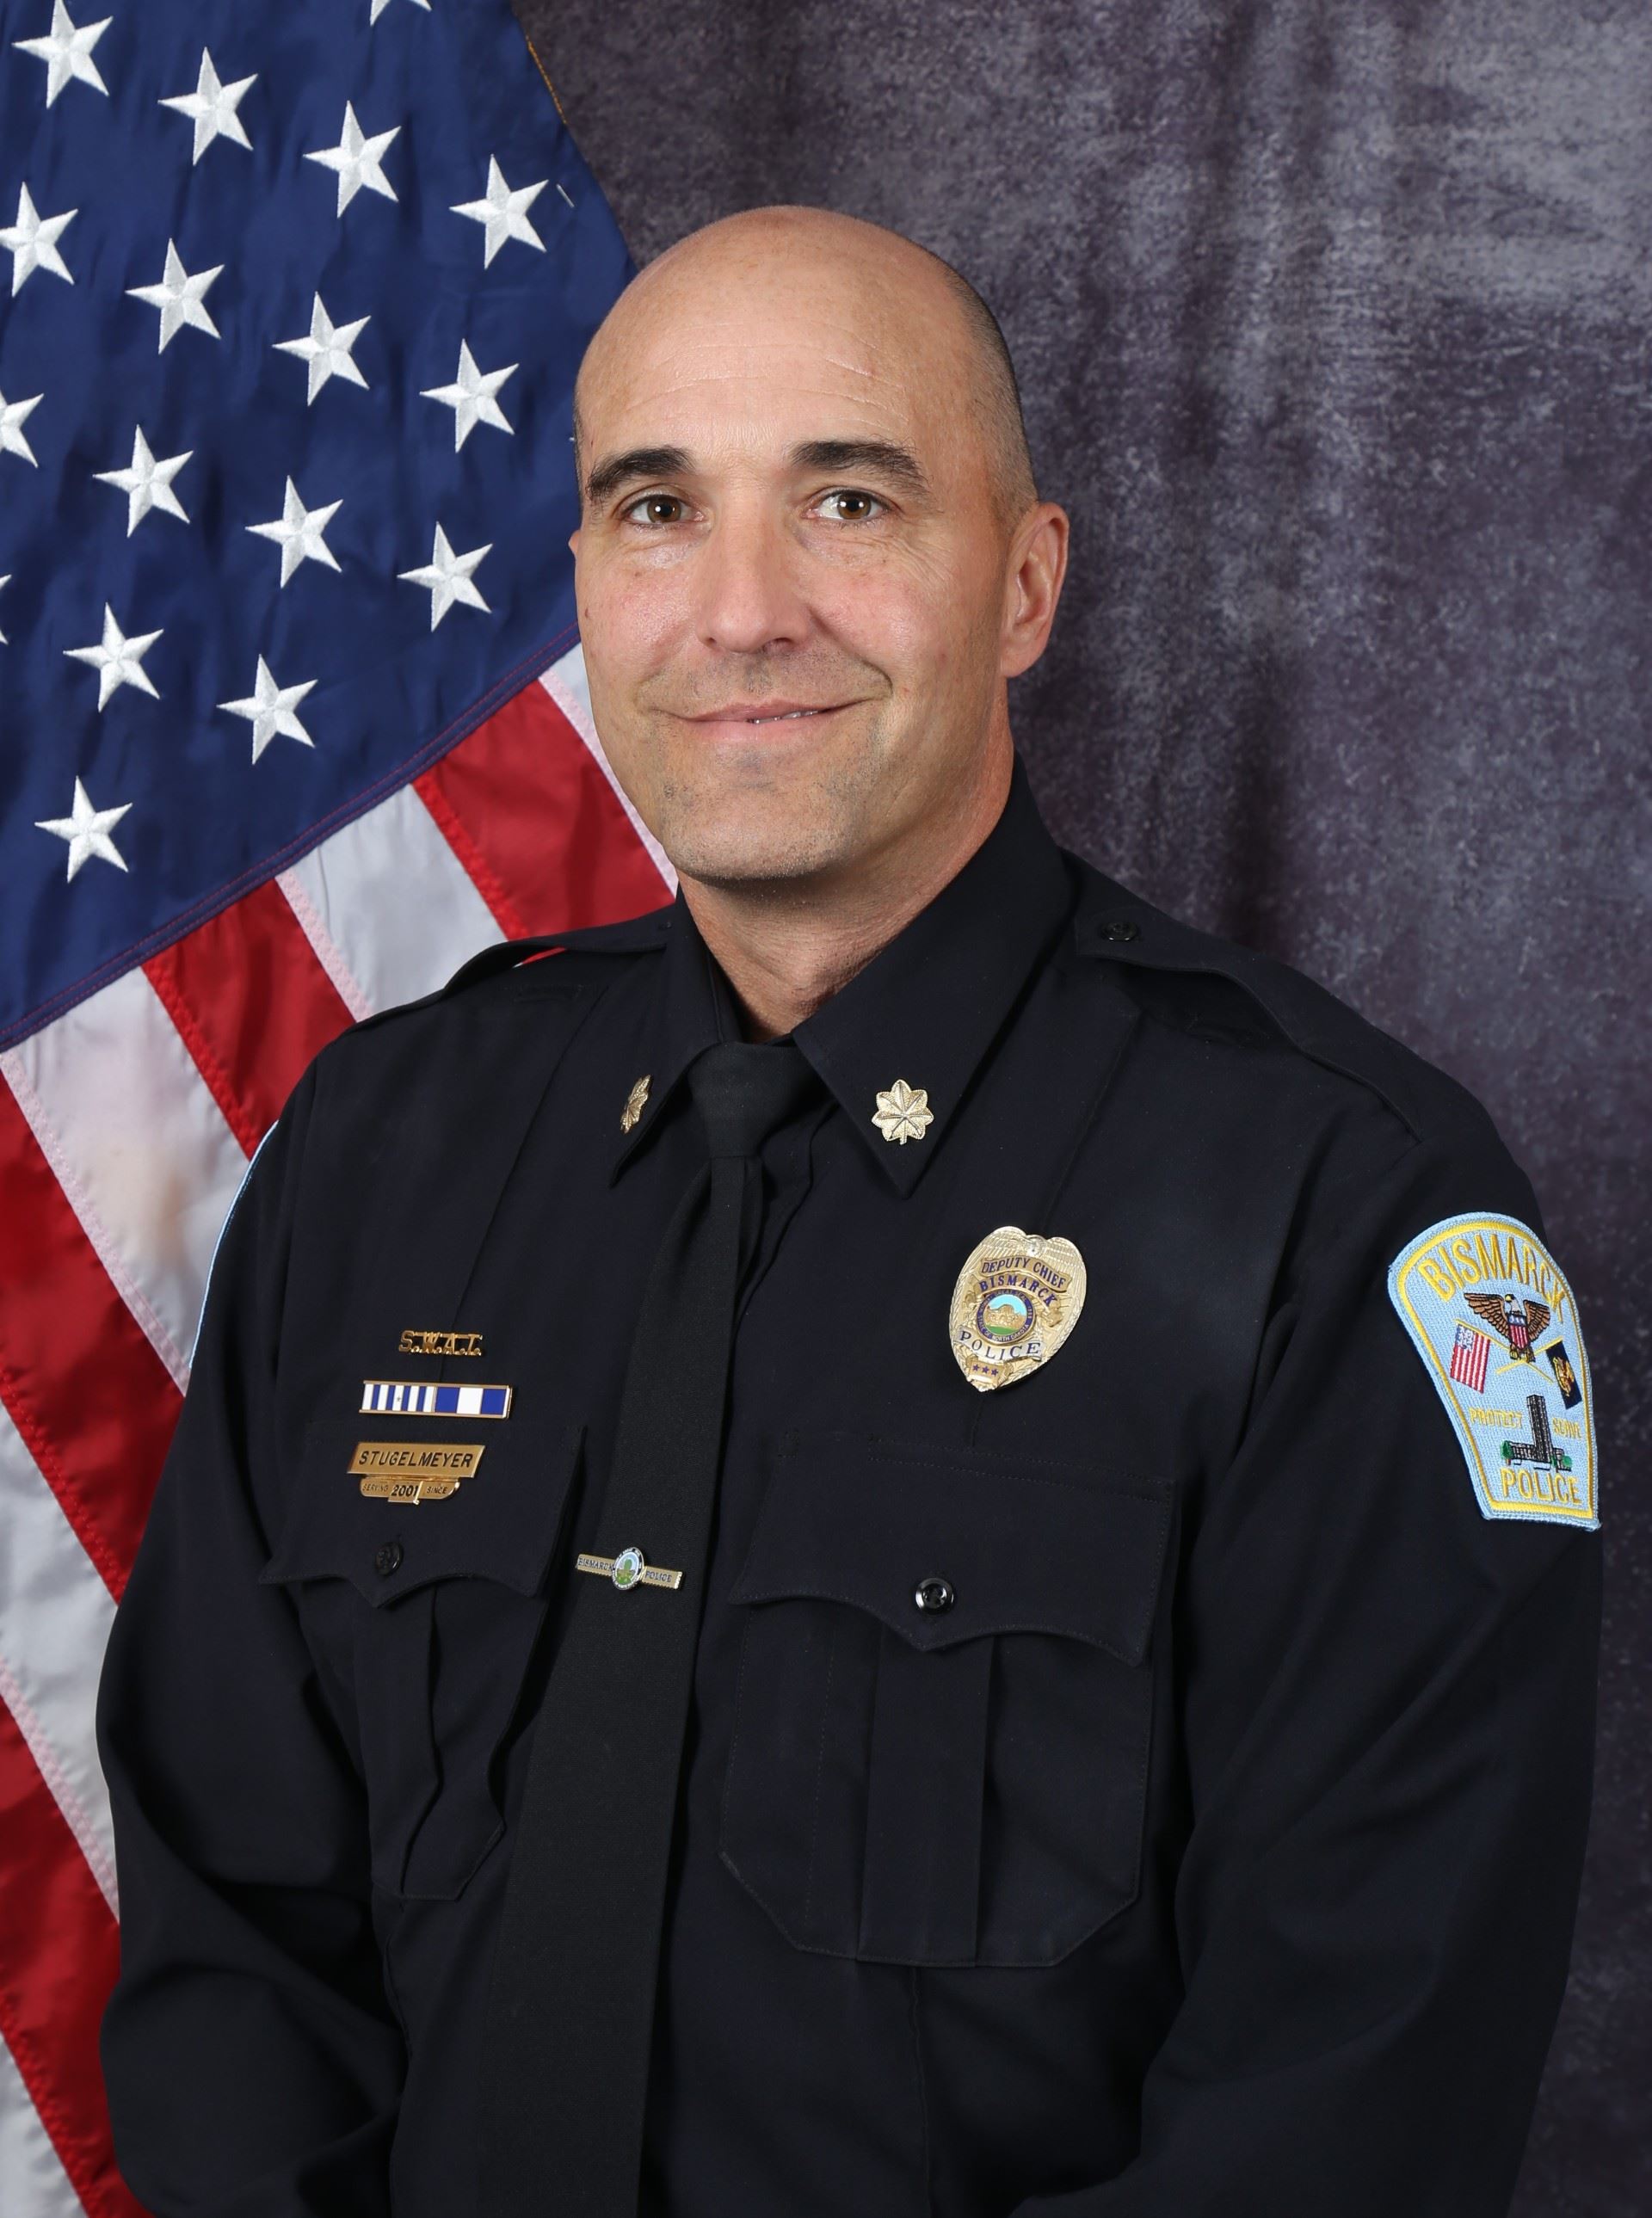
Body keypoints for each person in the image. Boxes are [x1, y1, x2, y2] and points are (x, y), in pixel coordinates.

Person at [96, 206, 1601, 2218]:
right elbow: (235, 1958)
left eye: (849, 499)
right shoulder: (385, 1157)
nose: (739, 610)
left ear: (1025, 584)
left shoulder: (1338, 1219)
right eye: (656, 506)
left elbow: (1342, 2117)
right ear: (584, 585)